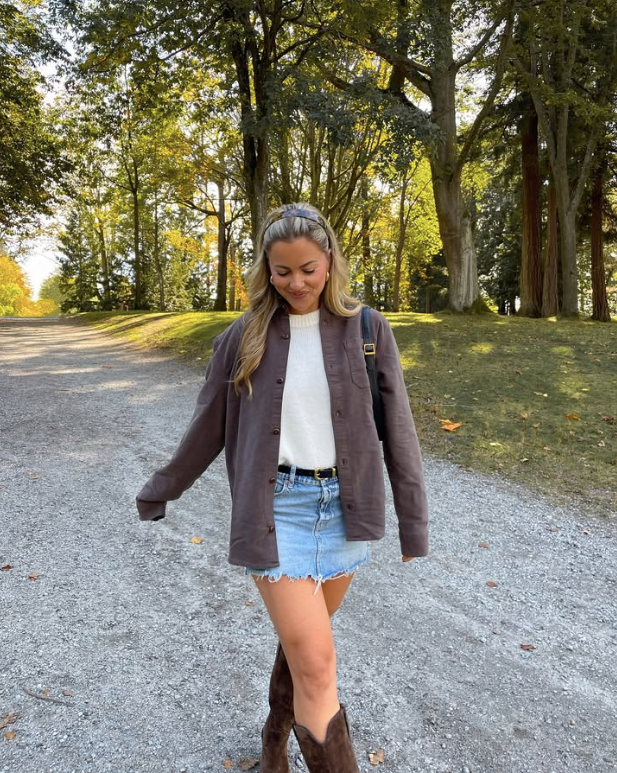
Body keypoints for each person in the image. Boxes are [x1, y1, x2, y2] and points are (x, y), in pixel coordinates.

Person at [136, 203, 429, 772]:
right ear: (266, 270)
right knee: (318, 665)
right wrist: (162, 488)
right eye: (282, 271)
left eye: (309, 268)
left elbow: (400, 431)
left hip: (345, 511)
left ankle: (275, 739)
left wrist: (412, 523)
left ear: (330, 264)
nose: (296, 282)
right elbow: (207, 427)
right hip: (278, 513)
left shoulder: (368, 331)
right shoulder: (241, 338)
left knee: (304, 647)